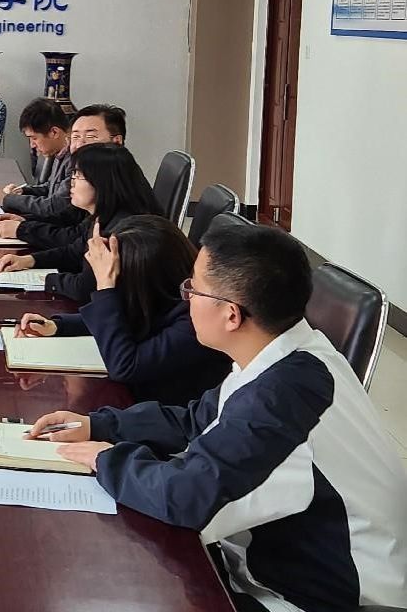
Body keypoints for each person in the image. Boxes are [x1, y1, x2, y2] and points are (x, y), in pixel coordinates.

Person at [30, 223, 407, 612]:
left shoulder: (280, 397)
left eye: (193, 289)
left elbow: (187, 497)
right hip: (281, 559)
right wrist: (98, 425)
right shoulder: (290, 353)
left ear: (231, 315)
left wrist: (104, 458)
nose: (186, 299)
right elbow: (197, 420)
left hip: (318, 597)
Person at [13, 215, 228, 405]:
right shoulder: (162, 297)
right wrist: (57, 326)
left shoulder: (194, 321)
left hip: (168, 412)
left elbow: (125, 366)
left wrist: (106, 286)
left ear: (143, 280)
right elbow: (127, 317)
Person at [0, 143, 161, 303]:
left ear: (102, 182)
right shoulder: (103, 215)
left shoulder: (119, 232)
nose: (71, 183)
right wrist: (29, 260)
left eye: (78, 176)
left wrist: (44, 279)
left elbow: (85, 288)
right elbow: (74, 252)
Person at [0, 103, 127, 241]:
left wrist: (9, 204)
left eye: (91, 136)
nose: (79, 144)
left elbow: (60, 212)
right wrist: (26, 221)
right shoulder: (77, 164)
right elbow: (72, 223)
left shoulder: (116, 184)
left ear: (117, 141)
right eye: (75, 137)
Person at [0, 98, 71, 218]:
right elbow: (50, 187)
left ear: (54, 132)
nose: (32, 145)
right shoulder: (60, 153)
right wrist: (22, 191)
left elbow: (54, 206)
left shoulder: (76, 161)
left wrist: (6, 199)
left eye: (34, 138)